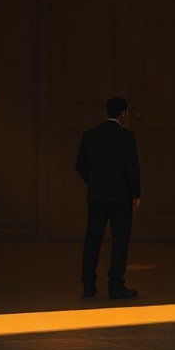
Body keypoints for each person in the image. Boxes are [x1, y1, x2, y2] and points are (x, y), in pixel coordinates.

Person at [75, 96, 142, 300]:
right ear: (123, 113)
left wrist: (93, 182)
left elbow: (80, 164)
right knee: (120, 239)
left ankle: (88, 285)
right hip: (120, 196)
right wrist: (136, 193)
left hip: (96, 195)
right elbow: (132, 167)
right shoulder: (126, 136)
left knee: (92, 238)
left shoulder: (90, 135)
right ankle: (116, 285)